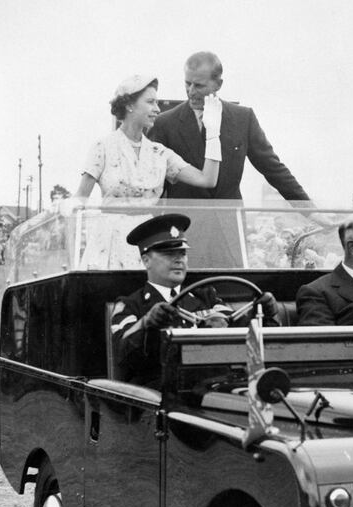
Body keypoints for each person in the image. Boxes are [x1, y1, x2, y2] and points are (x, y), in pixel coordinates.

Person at [111, 214, 277, 386]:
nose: (178, 260)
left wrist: (261, 313)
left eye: (182, 253)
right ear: (146, 260)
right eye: (169, 254)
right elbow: (122, 354)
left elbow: (237, 327)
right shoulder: (129, 305)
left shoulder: (206, 297)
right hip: (159, 397)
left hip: (216, 389)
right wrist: (147, 323)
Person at [148, 51, 308, 203]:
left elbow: (274, 170)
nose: (190, 92)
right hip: (183, 226)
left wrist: (311, 211)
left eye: (198, 86)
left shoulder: (243, 119)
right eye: (187, 83)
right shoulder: (164, 123)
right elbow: (154, 185)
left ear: (218, 84)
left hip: (229, 223)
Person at [75, 75, 221, 204]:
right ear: (129, 105)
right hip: (111, 232)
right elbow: (80, 199)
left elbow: (207, 180)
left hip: (147, 233)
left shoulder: (159, 153)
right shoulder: (103, 147)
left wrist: (213, 134)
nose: (157, 109)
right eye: (150, 102)